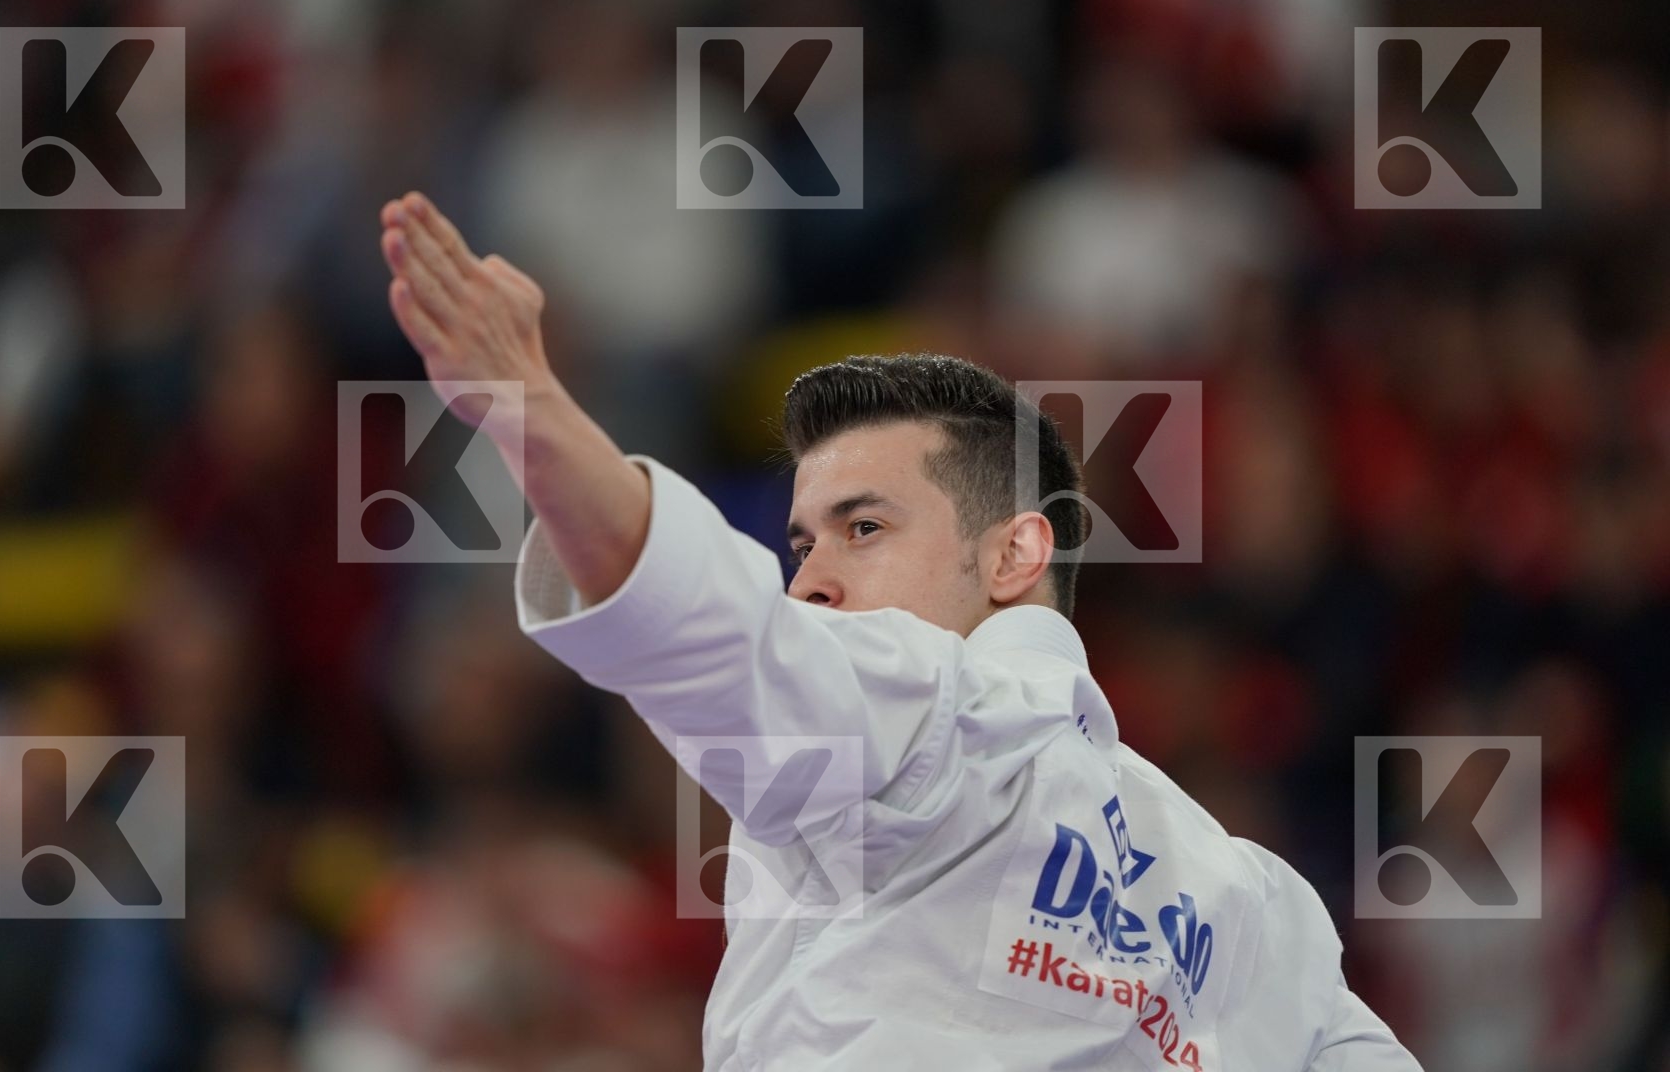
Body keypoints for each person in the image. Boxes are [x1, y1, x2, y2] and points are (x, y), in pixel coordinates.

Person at [375, 190, 1423, 1070]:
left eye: (862, 527)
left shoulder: (926, 713)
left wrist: (529, 405)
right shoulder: (1253, 900)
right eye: (799, 546)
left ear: (1015, 554)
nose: (813, 582)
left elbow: (701, 623)